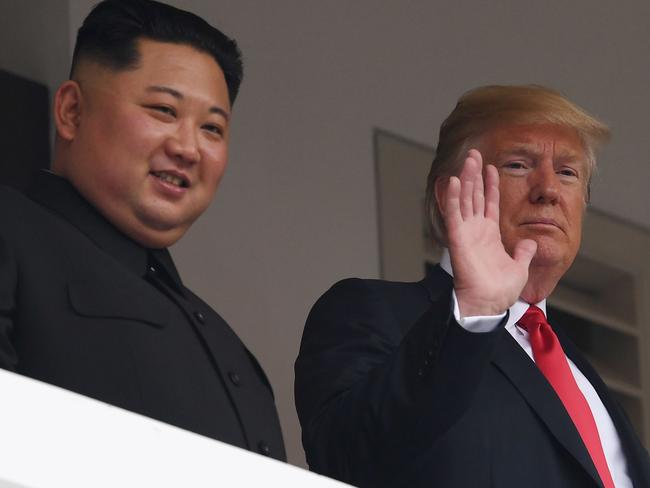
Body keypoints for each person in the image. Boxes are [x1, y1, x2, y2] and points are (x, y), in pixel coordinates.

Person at [295, 85, 650, 486]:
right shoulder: (373, 312)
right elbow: (346, 457)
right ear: (451, 195)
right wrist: (475, 312)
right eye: (518, 164)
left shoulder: (583, 374)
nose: (549, 190)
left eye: (568, 173)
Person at [0, 0, 285, 460]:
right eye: (163, 110)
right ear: (72, 111)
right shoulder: (12, 230)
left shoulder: (224, 340)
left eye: (212, 127)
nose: (189, 148)